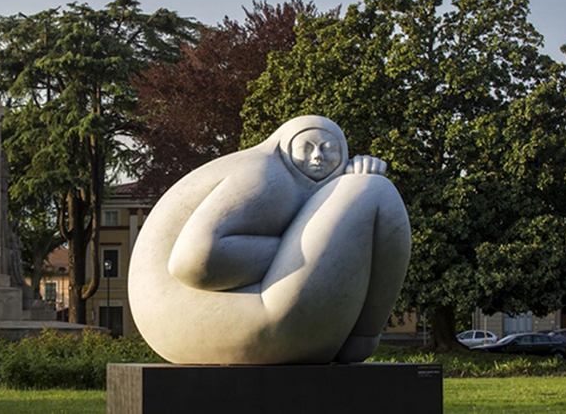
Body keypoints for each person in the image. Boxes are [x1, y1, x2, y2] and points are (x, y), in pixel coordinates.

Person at [128, 115, 411, 364]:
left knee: (363, 186)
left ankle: (358, 336)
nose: (317, 157)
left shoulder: (289, 180)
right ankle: (364, 335)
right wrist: (293, 249)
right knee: (374, 190)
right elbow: (194, 260)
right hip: (204, 315)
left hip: (179, 327)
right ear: (286, 148)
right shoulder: (265, 174)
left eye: (329, 149)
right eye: (307, 148)